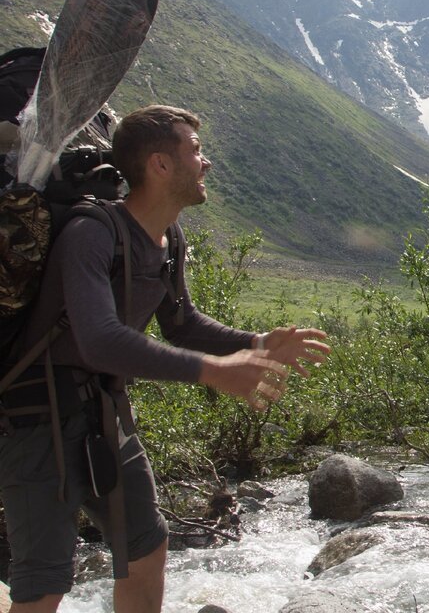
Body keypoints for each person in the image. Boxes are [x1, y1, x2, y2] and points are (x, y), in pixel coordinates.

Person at [0, 105, 330, 612]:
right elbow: (100, 340)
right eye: (195, 151)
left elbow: (184, 325)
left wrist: (260, 343)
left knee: (146, 546)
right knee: (45, 581)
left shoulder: (168, 239)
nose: (206, 163)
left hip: (104, 414)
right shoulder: (91, 232)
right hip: (37, 417)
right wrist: (213, 371)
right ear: (159, 165)